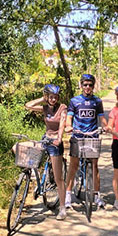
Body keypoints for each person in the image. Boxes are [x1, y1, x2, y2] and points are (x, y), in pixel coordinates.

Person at [65, 73, 109, 209]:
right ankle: (67, 197)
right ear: (81, 85)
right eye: (85, 84)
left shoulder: (97, 101)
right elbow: (69, 117)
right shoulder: (74, 101)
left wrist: (105, 126)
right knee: (73, 165)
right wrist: (68, 126)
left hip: (92, 136)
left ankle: (97, 196)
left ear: (93, 86)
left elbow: (101, 118)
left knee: (95, 166)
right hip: (78, 136)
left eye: (90, 85)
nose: (88, 87)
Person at [25, 84, 68, 220]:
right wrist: (42, 99)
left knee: (58, 178)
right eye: (50, 97)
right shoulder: (44, 108)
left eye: (55, 97)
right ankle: (33, 175)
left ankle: (62, 208)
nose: (53, 99)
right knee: (26, 151)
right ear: (47, 97)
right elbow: (28, 105)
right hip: (45, 139)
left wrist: (59, 138)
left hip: (55, 143)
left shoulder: (62, 108)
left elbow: (62, 124)